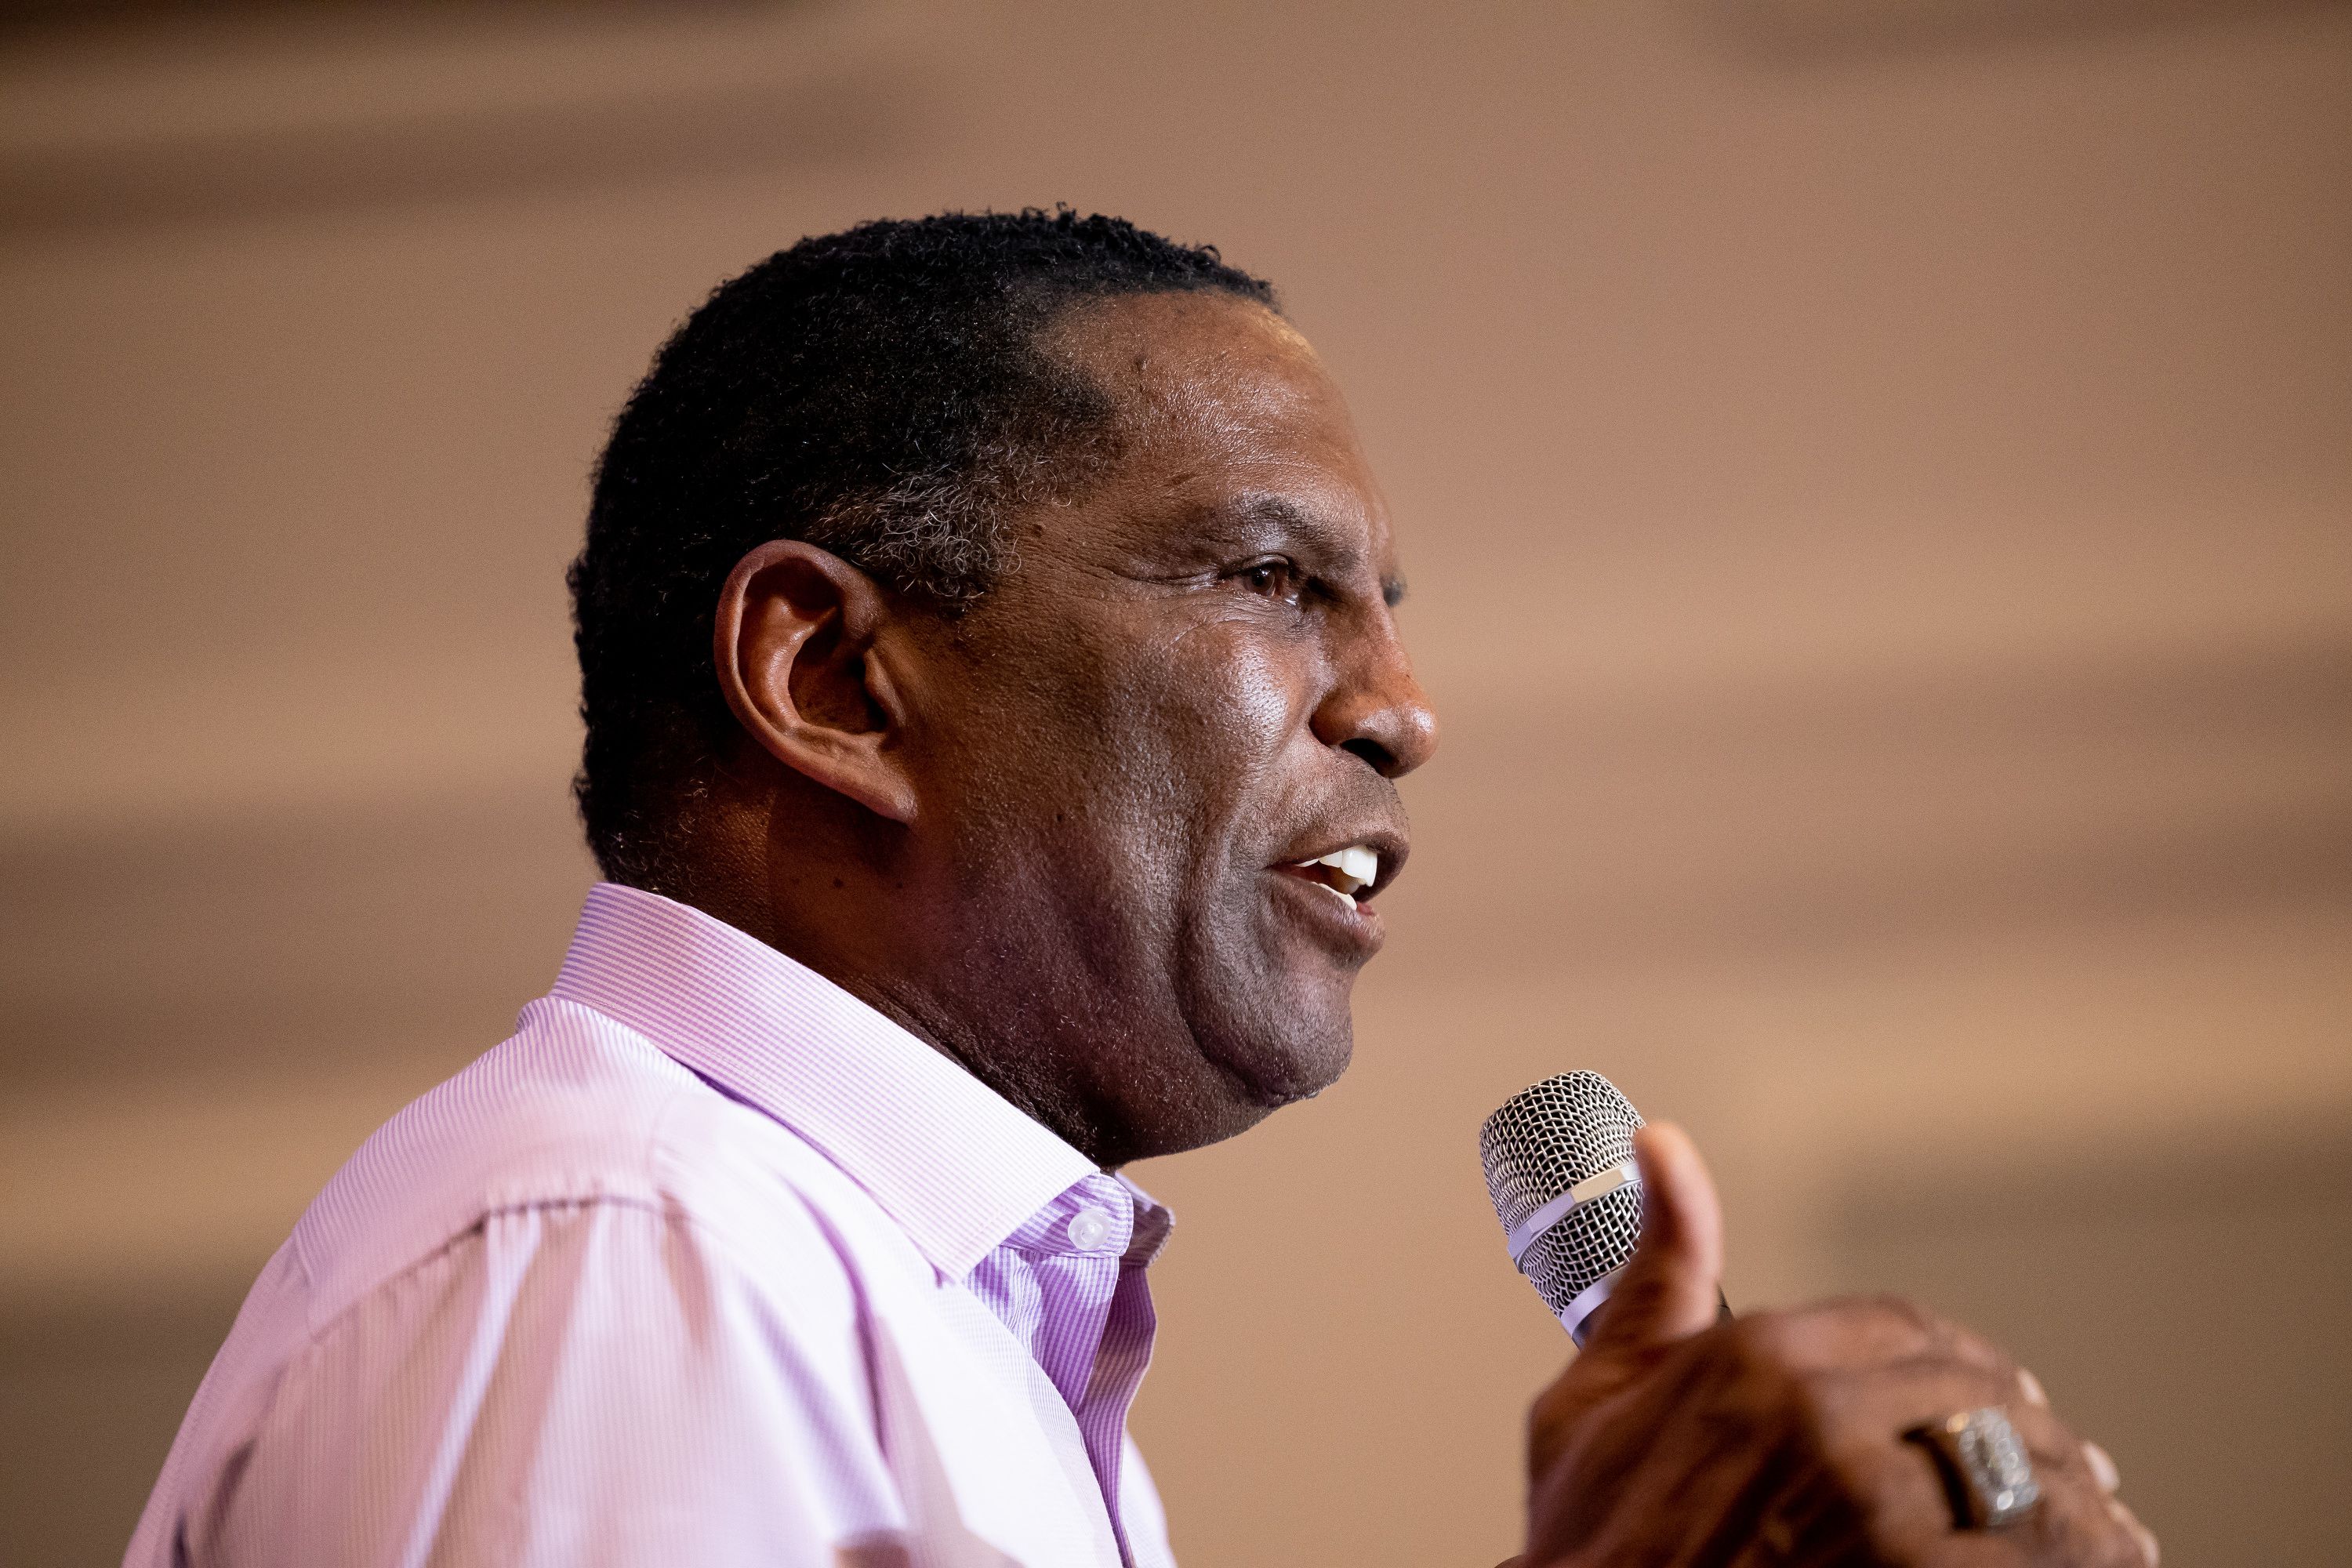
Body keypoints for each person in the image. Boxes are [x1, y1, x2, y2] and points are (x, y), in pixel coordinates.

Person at [127, 210, 2155, 1568]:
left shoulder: (916, 1323)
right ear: (833, 679)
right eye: (1274, 580)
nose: (1410, 709)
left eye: (1388, 609)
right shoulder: (627, 1270)